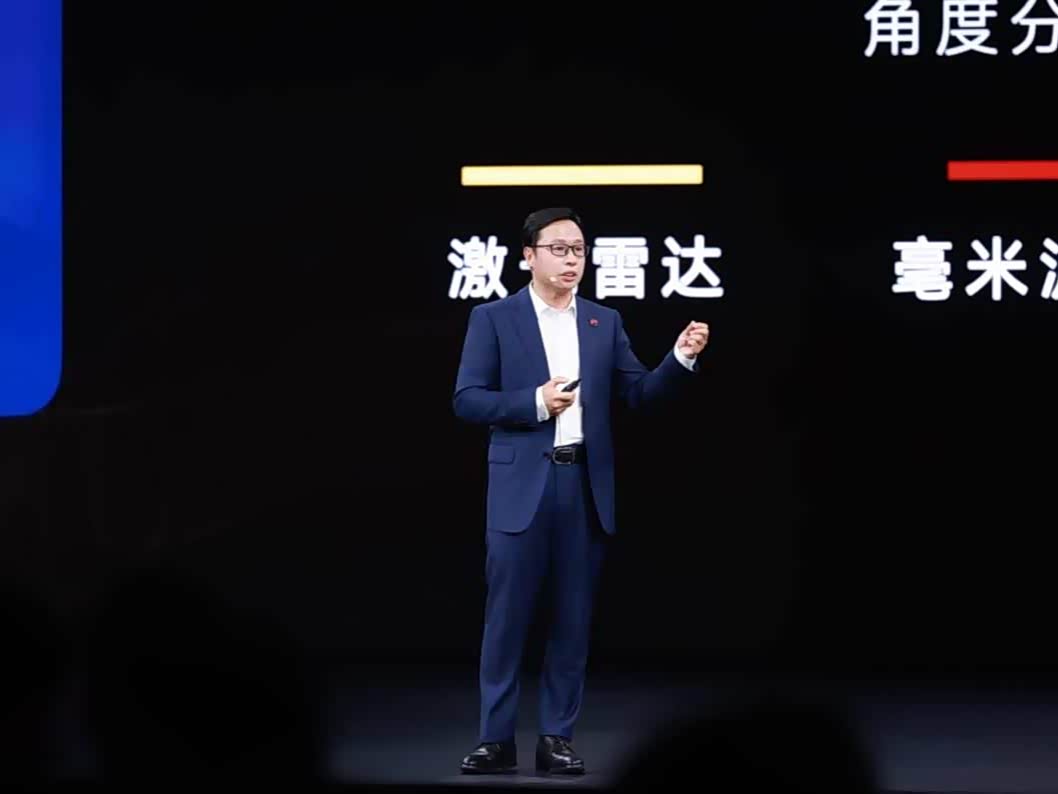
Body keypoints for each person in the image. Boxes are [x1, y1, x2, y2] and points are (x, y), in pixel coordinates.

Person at [452, 207, 709, 776]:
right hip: (522, 485)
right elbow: (467, 398)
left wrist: (680, 358)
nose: (572, 260)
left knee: (572, 619)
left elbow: (639, 395)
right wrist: (534, 402)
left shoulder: (602, 321)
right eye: (559, 249)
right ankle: (495, 739)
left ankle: (556, 738)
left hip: (584, 484)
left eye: (579, 250)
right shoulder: (494, 318)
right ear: (529, 256)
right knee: (506, 618)